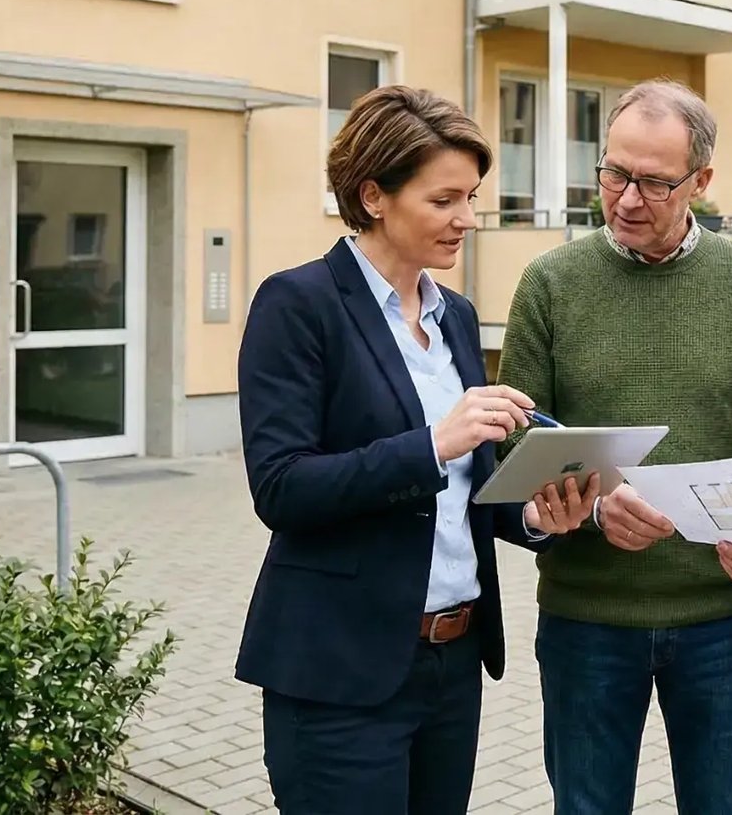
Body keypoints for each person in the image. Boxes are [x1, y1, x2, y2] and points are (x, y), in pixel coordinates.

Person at [234, 85, 598, 815]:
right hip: (340, 672)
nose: (468, 217)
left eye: (471, 196)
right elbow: (282, 487)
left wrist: (537, 517)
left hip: (452, 663)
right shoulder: (298, 305)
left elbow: (466, 495)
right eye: (444, 199)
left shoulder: (455, 315)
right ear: (374, 195)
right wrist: (433, 442)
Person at [496, 78, 732, 815]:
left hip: (720, 618)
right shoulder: (549, 282)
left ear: (702, 180)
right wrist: (595, 509)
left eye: (656, 182)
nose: (628, 198)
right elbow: (517, 431)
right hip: (587, 616)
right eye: (614, 173)